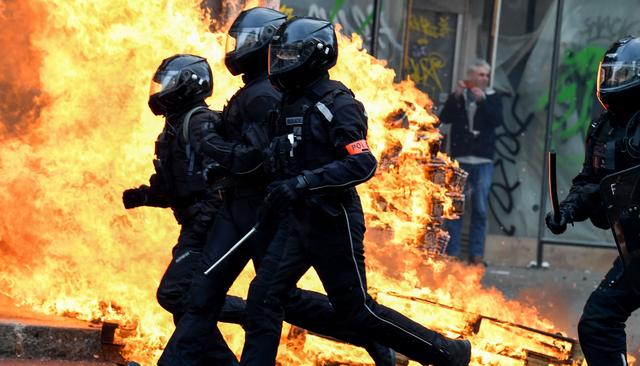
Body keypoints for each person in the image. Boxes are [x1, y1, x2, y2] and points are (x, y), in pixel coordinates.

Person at [157, 8, 396, 366]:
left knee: (262, 299)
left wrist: (211, 145)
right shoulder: (257, 91)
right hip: (246, 207)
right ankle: (369, 336)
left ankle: (371, 334)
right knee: (238, 296)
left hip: (258, 210)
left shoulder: (266, 94)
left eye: (245, 42)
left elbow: (255, 158)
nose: (236, 49)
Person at [238, 16, 472, 366]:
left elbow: (361, 164)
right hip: (296, 220)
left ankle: (445, 353)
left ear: (315, 56)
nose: (281, 63)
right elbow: (281, 155)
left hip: (332, 220)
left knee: (357, 310)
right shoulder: (285, 104)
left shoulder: (337, 104)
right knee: (264, 297)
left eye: (289, 56)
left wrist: (302, 183)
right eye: (279, 56)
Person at [122, 54, 243, 365]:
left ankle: (254, 311)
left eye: (168, 84)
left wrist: (206, 218)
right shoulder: (174, 127)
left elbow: (222, 176)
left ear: (187, 86)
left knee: (177, 295)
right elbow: (176, 188)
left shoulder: (201, 122)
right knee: (185, 308)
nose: (160, 90)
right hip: (194, 224)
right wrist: (146, 196)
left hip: (209, 226)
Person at [545, 35, 640, 366]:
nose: (613, 81)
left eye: (622, 74)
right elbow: (590, 179)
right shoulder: (604, 126)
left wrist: (600, 195)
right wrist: (569, 209)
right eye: (610, 73)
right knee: (597, 323)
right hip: (637, 249)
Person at [439, 60, 503, 265]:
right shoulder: (460, 97)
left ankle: (476, 254)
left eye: (486, 75)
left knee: (480, 209)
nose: (483, 78)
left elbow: (497, 121)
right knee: (455, 207)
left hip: (483, 160)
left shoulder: (493, 97)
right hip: (461, 160)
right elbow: (445, 118)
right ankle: (453, 252)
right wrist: (456, 96)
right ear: (471, 76)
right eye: (480, 75)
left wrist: (483, 101)